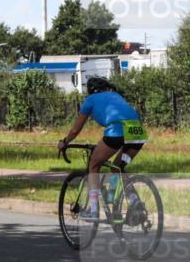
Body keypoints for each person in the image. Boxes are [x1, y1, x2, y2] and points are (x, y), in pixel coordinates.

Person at [57, 76, 148, 220]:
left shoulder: (90, 100)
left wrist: (65, 142)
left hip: (116, 133)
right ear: (105, 88)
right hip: (138, 133)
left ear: (90, 91)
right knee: (117, 167)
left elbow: (75, 130)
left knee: (93, 165)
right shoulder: (116, 95)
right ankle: (133, 201)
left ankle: (93, 211)